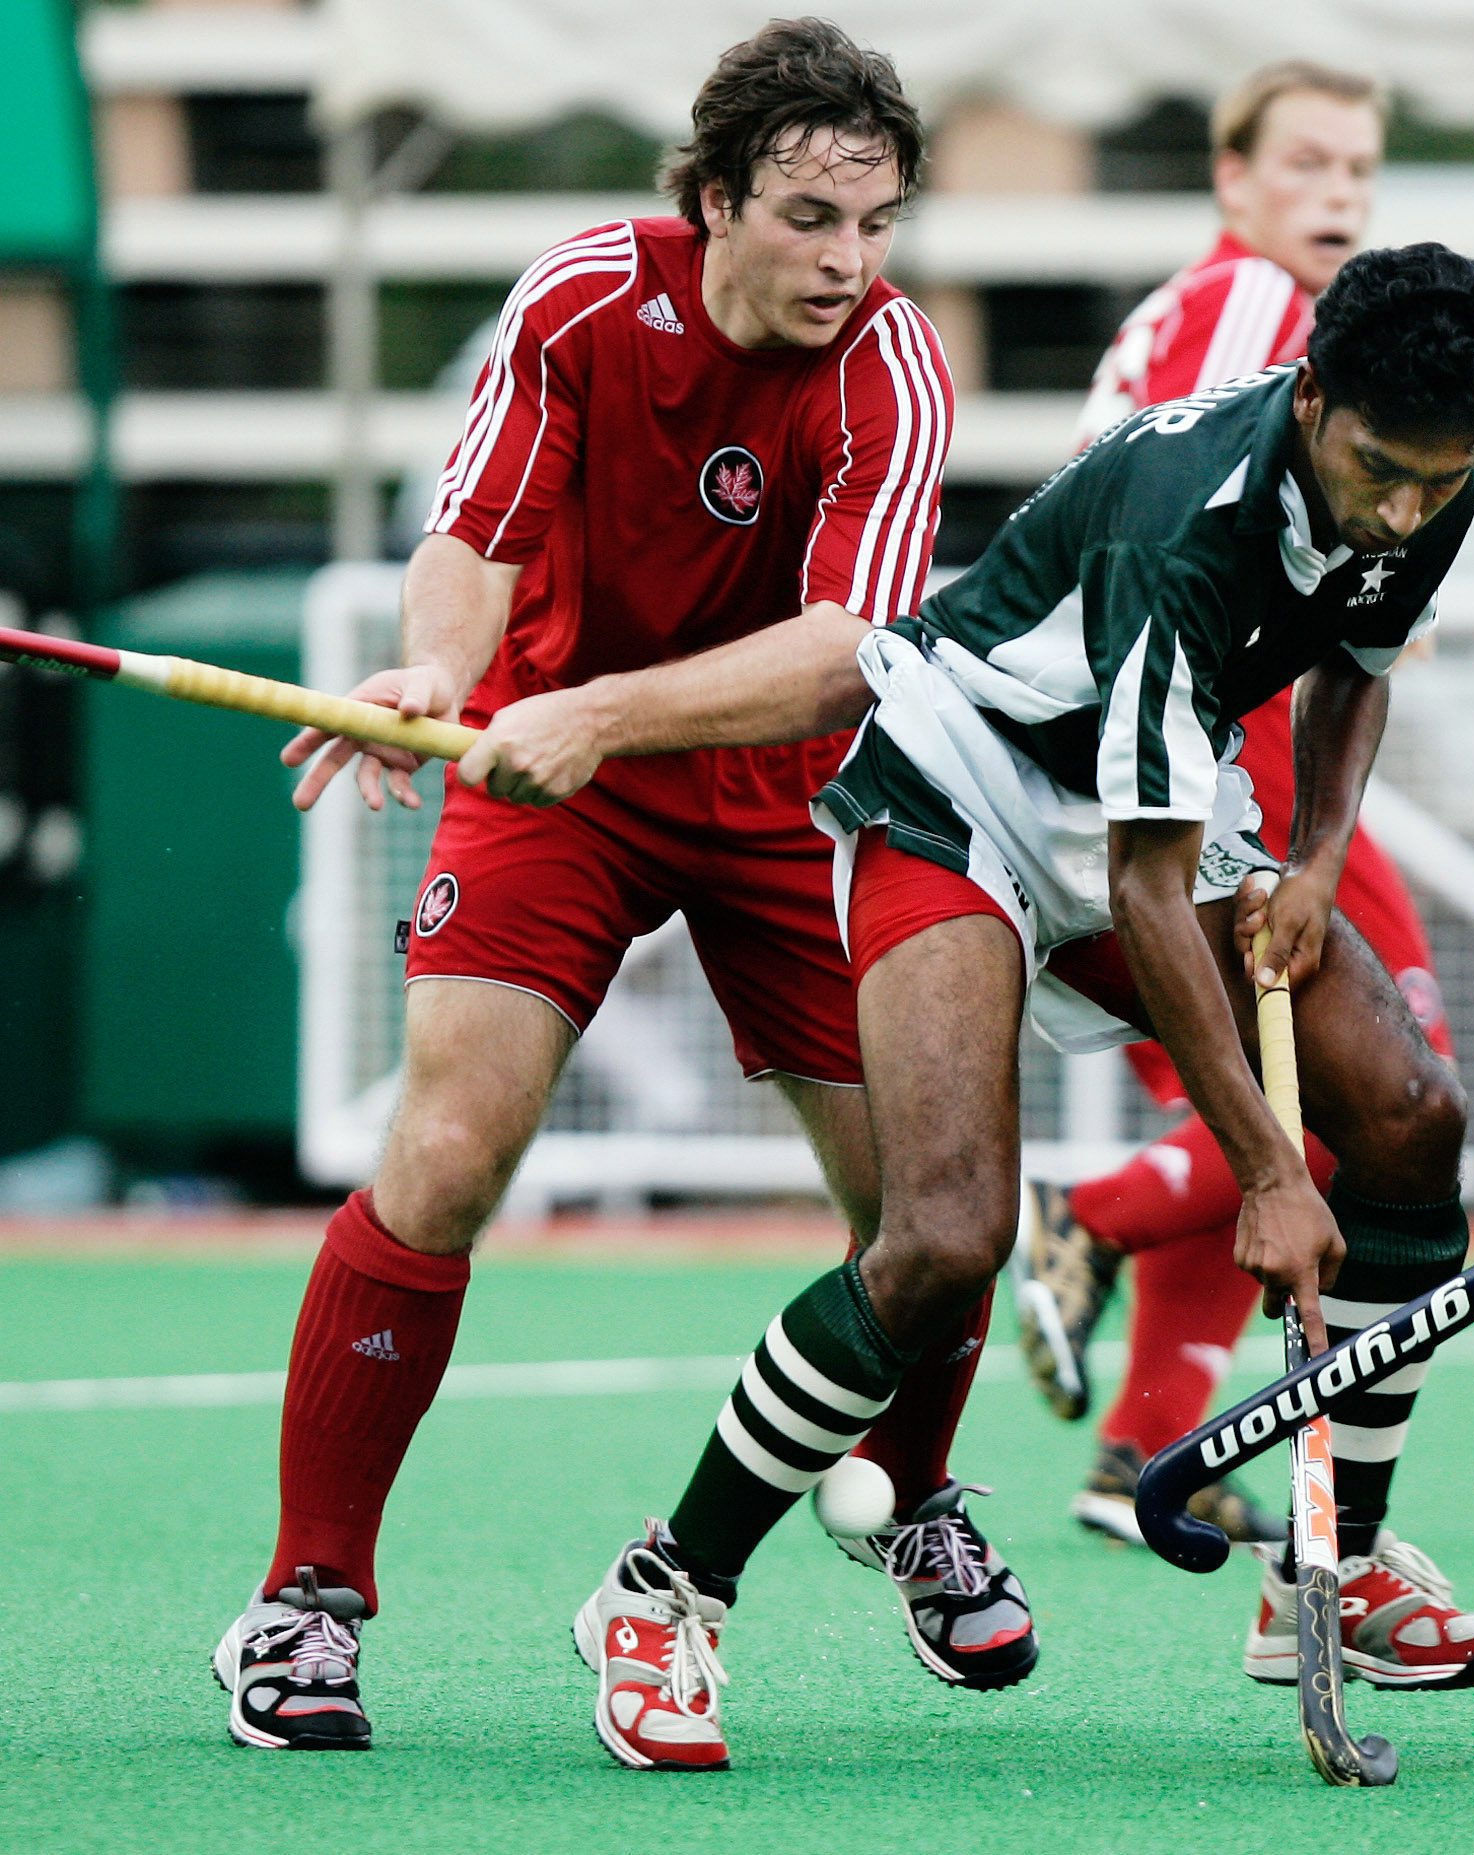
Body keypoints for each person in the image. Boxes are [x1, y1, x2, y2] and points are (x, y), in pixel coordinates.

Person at [573, 243, 1474, 1768]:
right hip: (968, 793)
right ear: (1312, 397)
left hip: (1163, 791)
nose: (1404, 508)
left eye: (1438, 479)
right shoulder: (1188, 530)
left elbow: (1356, 660)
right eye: (1379, 470)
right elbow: (1149, 896)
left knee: (1416, 1114)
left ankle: (1327, 1569)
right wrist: (1273, 1174)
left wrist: (1321, 853)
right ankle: (666, 1585)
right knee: (948, 1232)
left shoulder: (1433, 458)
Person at [209, 22, 1036, 1755]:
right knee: (444, 1152)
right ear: (717, 197)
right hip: (553, 788)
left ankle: (916, 1488)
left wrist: (595, 714)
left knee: (936, 1214)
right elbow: (476, 535)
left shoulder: (895, 368)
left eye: (878, 225)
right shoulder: (586, 297)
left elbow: (844, 655)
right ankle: (305, 1602)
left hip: (790, 794)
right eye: (812, 219)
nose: (850, 263)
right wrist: (439, 674)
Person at [1012, 61, 1459, 1557]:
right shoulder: (1274, 317)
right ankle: (1097, 1217)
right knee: (1394, 1094)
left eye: (1361, 172)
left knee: (1283, 1086)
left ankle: (1155, 1442)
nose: (1339, 197)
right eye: (1311, 166)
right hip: (1213, 734)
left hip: (1153, 730)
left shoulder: (1191, 302)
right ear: (1233, 179)